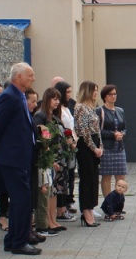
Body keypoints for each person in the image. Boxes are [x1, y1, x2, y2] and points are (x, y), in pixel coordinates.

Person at [0, 62, 41, 255]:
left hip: (21, 158)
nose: (33, 78)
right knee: (21, 199)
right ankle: (19, 241)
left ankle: (14, 239)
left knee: (23, 199)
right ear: (18, 77)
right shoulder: (8, 97)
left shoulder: (18, 96)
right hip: (11, 159)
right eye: (30, 75)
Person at [33, 87, 71, 236]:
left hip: (58, 157)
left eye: (58, 99)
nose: (57, 102)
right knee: (48, 190)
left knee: (54, 190)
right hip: (48, 158)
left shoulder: (53, 116)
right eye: (54, 99)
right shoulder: (40, 115)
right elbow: (41, 136)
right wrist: (49, 157)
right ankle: (46, 221)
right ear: (47, 99)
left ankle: (53, 219)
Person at [75, 80, 104, 227]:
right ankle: (85, 211)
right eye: (94, 90)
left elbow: (97, 129)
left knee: (93, 178)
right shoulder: (80, 108)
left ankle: (91, 208)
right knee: (86, 179)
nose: (96, 93)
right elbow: (83, 131)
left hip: (95, 144)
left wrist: (101, 146)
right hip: (86, 146)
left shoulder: (92, 108)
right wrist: (94, 148)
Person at [53, 81, 77, 221]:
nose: (69, 95)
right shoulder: (59, 111)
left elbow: (71, 127)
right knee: (61, 179)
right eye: (67, 92)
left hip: (70, 146)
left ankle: (64, 206)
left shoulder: (67, 108)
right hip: (61, 148)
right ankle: (60, 209)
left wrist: (74, 140)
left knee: (68, 177)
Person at [99, 84, 128, 197]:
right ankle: (108, 204)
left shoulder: (120, 110)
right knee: (107, 175)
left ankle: (118, 203)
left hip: (119, 147)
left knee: (121, 176)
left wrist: (122, 134)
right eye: (110, 94)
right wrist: (112, 134)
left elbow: (125, 127)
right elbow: (98, 131)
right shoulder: (100, 111)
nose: (113, 96)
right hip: (107, 147)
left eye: (115, 94)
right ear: (105, 96)